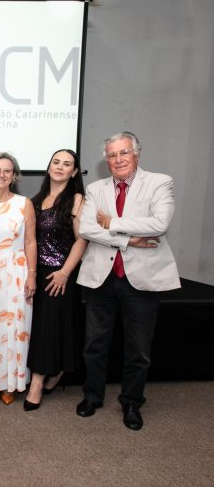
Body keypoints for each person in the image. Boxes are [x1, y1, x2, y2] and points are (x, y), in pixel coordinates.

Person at [76, 132, 180, 431]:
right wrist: (129, 239)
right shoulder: (96, 188)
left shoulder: (159, 182)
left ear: (137, 154)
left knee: (138, 349)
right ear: (105, 159)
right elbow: (86, 228)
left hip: (141, 279)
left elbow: (159, 224)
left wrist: (112, 224)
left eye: (123, 153)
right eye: (111, 155)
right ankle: (92, 396)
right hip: (102, 278)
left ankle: (132, 401)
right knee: (94, 344)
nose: (117, 160)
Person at [23, 149, 87, 411]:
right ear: (48, 167)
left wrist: (64, 273)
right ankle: (57, 369)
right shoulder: (35, 200)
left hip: (59, 274)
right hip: (36, 271)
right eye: (56, 162)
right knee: (40, 326)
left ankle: (37, 383)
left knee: (49, 328)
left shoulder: (76, 199)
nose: (60, 167)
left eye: (67, 164)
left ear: (74, 172)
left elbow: (82, 240)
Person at [0, 153, 36, 405]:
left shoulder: (24, 203)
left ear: (14, 176)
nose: (2, 175)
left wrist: (32, 275)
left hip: (16, 271)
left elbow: (30, 241)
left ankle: (10, 384)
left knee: (14, 329)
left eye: (8, 170)